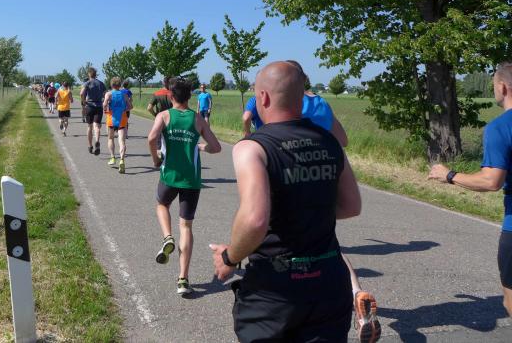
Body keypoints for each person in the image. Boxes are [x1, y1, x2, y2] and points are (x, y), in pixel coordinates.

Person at [211, 61, 362, 341]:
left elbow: (255, 220)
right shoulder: (330, 142)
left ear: (263, 97)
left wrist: (229, 257)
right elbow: (352, 206)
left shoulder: (253, 148)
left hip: (275, 290)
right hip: (329, 285)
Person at [429, 61, 512, 316]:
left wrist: (449, 175)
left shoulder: (501, 127)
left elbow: (491, 181)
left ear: (503, 87)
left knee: (510, 301)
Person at [148, 77, 222, 295]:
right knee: (186, 227)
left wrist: (156, 159)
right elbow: (216, 147)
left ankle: (167, 237)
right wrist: (200, 147)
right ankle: (183, 279)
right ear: (190, 97)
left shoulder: (164, 116)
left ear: (171, 96)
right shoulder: (197, 119)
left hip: (170, 175)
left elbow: (151, 138)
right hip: (192, 179)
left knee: (162, 204)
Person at [103, 77, 133, 173]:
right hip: (122, 119)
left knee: (110, 138)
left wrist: (105, 110)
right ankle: (122, 160)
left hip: (111, 119)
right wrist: (124, 110)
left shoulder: (109, 94)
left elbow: (104, 104)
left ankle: (112, 157)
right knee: (122, 141)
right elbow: (131, 106)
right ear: (120, 85)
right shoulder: (124, 94)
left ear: (111, 85)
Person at [80, 67, 106, 155]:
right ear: (95, 74)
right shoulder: (101, 83)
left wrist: (84, 101)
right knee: (97, 126)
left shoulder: (87, 83)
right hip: (99, 106)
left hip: (90, 106)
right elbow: (105, 94)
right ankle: (97, 141)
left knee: (89, 126)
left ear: (89, 74)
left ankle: (90, 145)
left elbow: (81, 93)